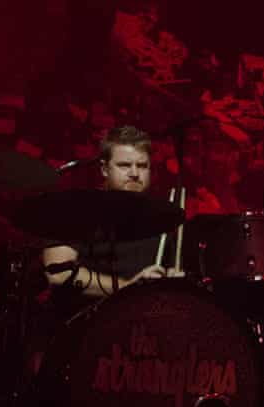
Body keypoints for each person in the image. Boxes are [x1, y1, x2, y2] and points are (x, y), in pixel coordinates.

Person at [42, 125, 183, 301]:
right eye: (124, 165)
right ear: (104, 169)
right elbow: (59, 275)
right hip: (85, 321)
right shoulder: (74, 211)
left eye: (142, 166)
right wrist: (130, 287)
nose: (134, 173)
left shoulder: (163, 220)